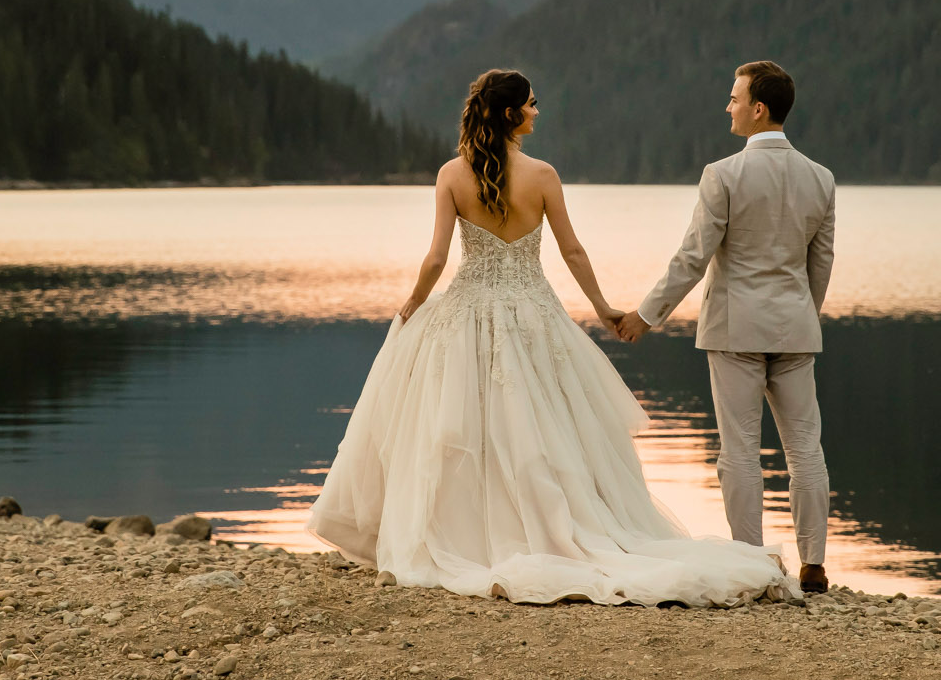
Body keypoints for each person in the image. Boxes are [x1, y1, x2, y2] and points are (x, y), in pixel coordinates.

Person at [308, 68, 796, 606]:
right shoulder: (542, 175)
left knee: (469, 423)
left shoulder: (452, 174)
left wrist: (410, 307)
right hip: (534, 315)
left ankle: (469, 533)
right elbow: (573, 251)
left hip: (467, 310)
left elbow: (437, 259)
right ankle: (548, 526)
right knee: (542, 427)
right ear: (511, 112)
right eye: (532, 104)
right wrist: (604, 308)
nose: (538, 111)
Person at [617, 61, 836, 594]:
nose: (728, 106)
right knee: (805, 448)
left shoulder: (724, 174)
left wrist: (644, 316)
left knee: (739, 450)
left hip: (735, 329)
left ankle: (751, 561)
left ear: (759, 108)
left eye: (735, 98)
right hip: (795, 328)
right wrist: (801, 314)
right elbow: (820, 265)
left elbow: (693, 257)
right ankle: (813, 565)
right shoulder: (821, 178)